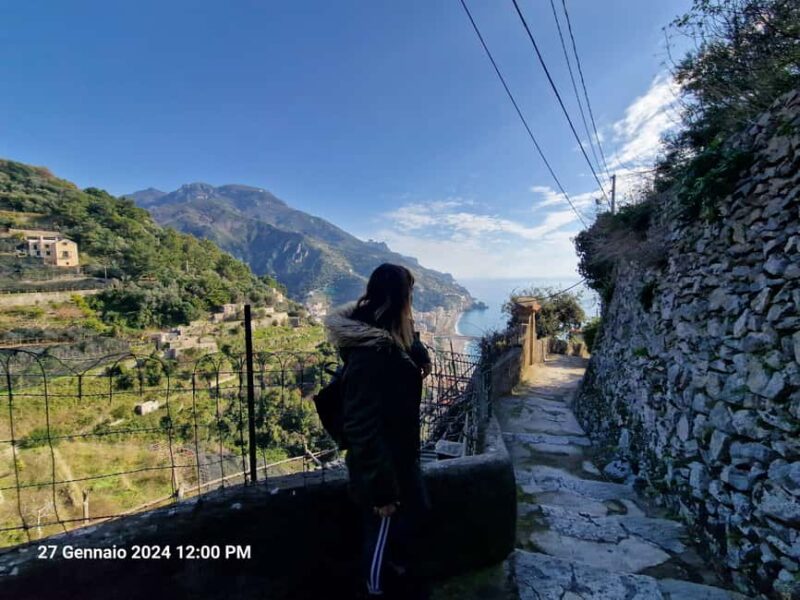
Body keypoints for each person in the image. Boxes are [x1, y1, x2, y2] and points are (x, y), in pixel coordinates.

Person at [324, 263, 432, 599]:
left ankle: (401, 581)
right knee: (381, 536)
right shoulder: (371, 355)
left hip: (400, 456)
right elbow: (361, 426)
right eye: (409, 295)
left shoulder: (385, 333)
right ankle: (375, 591)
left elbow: (403, 341)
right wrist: (383, 492)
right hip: (382, 469)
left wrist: (418, 352)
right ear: (400, 299)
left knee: (417, 516)